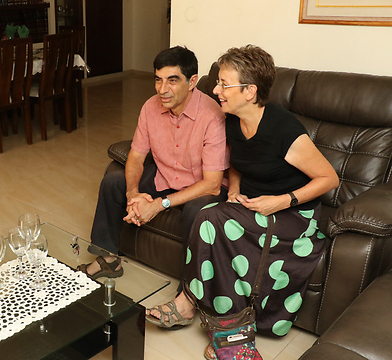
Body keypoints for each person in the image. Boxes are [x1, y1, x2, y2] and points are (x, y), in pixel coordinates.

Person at [145, 45, 339, 359]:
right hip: (249, 204)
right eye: (218, 82)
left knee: (210, 219)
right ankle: (222, 325)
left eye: (224, 84)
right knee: (208, 217)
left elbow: (329, 179)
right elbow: (237, 164)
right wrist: (234, 187)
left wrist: (281, 201)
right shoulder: (233, 119)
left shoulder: (283, 129)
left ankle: (195, 310)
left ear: (249, 91)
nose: (216, 90)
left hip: (292, 215)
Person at [77, 46, 229, 280]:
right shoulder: (150, 107)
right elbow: (136, 156)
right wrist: (132, 194)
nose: (162, 89)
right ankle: (108, 259)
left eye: (172, 81)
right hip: (165, 176)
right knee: (113, 181)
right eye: (158, 80)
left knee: (197, 213)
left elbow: (212, 184)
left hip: (201, 188)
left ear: (192, 82)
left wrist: (158, 205)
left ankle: (190, 290)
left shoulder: (213, 115)